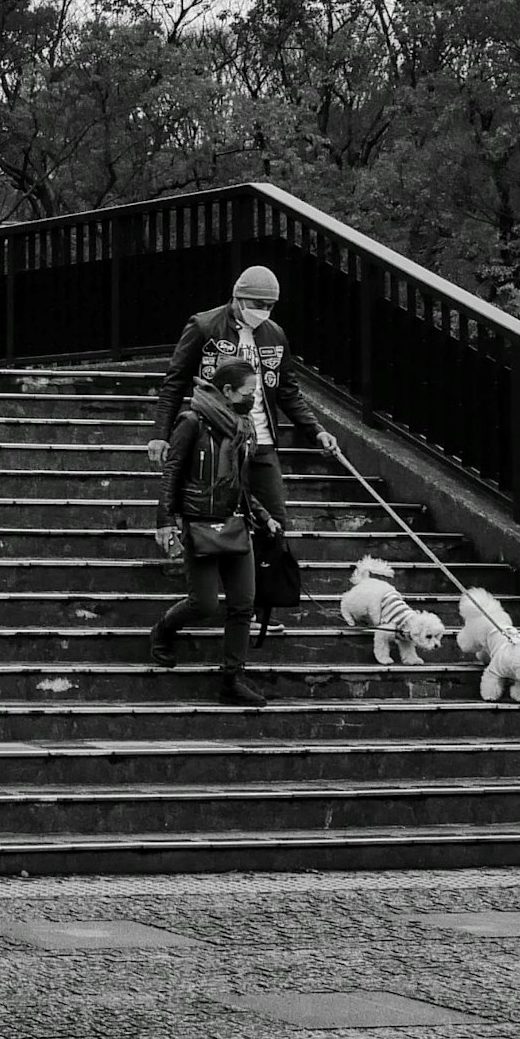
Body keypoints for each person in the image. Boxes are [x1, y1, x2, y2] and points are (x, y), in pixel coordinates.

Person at [159, 263, 342, 642]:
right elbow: (175, 379)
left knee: (274, 520)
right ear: (238, 297)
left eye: (270, 305)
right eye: (257, 303)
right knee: (217, 511)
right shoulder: (205, 326)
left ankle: (260, 606)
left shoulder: (274, 334)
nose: (263, 311)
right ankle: (207, 593)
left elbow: (288, 389)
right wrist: (161, 434)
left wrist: (317, 430)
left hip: (262, 440)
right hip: (215, 438)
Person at [149, 348, 281, 708]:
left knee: (243, 603)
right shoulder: (192, 421)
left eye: (254, 390)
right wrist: (165, 520)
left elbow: (240, 481)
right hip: (200, 523)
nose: (252, 397)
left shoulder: (244, 426)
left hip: (238, 522)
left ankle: (232, 678)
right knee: (204, 603)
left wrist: (261, 512)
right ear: (225, 390)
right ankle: (163, 630)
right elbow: (173, 472)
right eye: (245, 392)